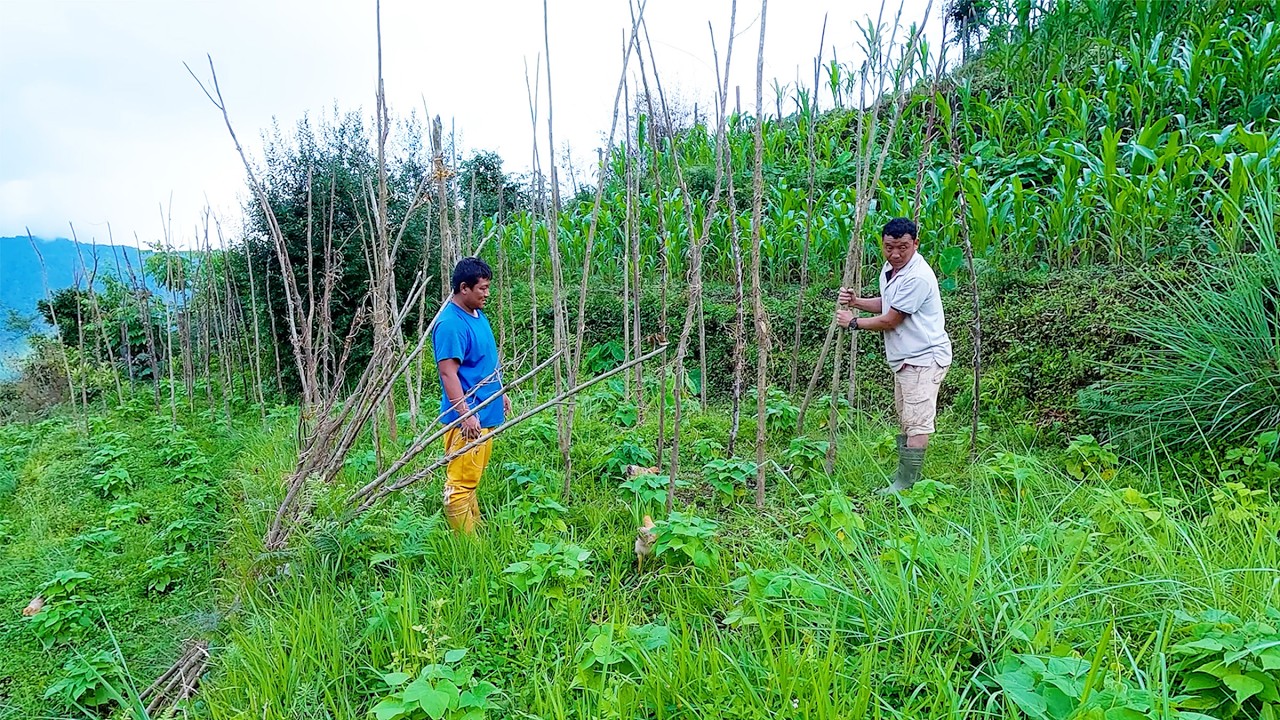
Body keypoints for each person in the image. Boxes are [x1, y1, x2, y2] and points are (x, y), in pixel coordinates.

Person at [834, 218, 952, 494]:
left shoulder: (917, 276)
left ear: (915, 244)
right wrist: (857, 302)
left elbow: (891, 319)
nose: (895, 254)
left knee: (917, 424)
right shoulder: (891, 270)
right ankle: (905, 475)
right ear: (883, 244)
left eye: (902, 247)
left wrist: (853, 322)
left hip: (924, 359)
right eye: (889, 247)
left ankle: (907, 485)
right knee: (907, 419)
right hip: (905, 360)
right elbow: (888, 304)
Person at [433, 257, 511, 532]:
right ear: (464, 288)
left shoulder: (478, 315)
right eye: (482, 288)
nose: (487, 294)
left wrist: (500, 392)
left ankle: (475, 528)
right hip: (469, 421)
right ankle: (466, 545)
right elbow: (448, 373)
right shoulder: (450, 324)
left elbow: (485, 360)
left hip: (486, 413)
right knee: (460, 486)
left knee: (472, 480)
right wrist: (465, 414)